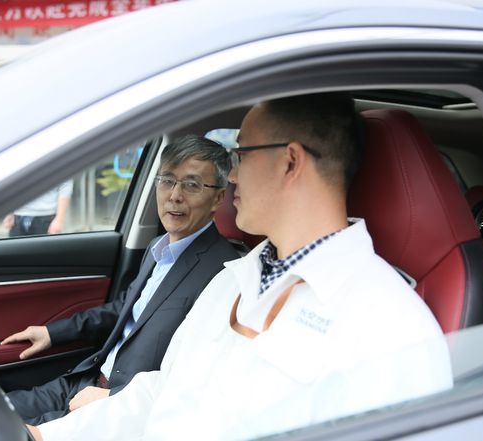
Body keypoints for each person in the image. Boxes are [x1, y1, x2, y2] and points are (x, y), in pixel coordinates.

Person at [30, 93, 453, 441]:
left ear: (290, 162)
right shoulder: (231, 281)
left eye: (241, 155)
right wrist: (47, 435)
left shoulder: (390, 326)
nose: (231, 176)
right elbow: (163, 393)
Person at [2, 134, 238, 424]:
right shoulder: (157, 248)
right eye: (167, 181)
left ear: (218, 198)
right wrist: (54, 333)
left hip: (119, 408)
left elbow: (198, 375)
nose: (175, 195)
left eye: (192, 185)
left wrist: (114, 398)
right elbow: (125, 309)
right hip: (85, 380)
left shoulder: (225, 271)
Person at [3, 180, 74, 236]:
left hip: (46, 218)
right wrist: (10, 212)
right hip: (17, 218)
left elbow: (65, 184)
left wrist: (59, 219)